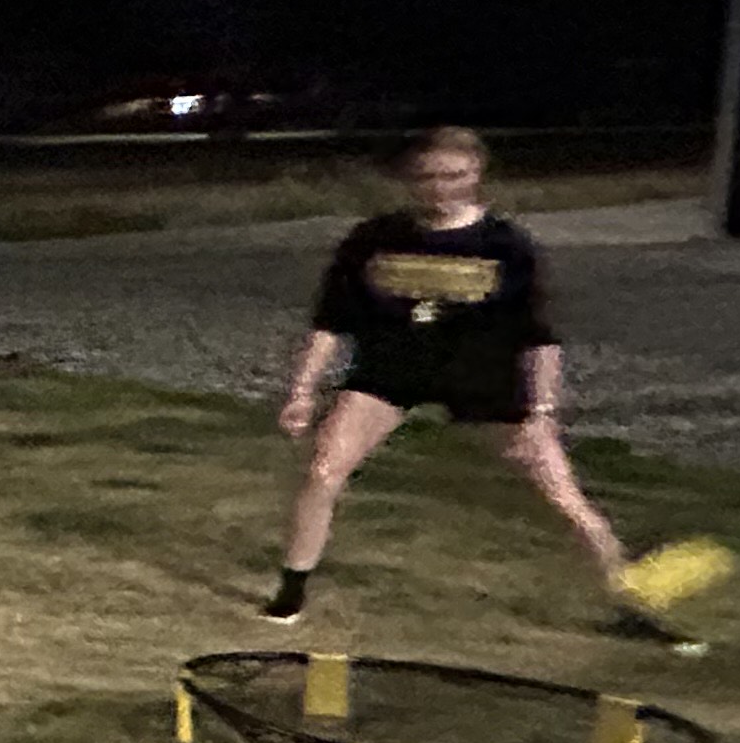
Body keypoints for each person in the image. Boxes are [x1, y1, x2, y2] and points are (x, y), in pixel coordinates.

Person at [265, 128, 676, 638]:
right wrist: (301, 391)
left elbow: (540, 338)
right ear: (411, 180)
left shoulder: (506, 246)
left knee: (565, 498)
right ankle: (290, 592)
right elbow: (330, 323)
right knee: (323, 471)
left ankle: (633, 605)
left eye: (454, 176)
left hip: (485, 381)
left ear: (477, 175)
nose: (441, 187)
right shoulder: (373, 240)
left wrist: (541, 414)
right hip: (389, 375)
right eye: (428, 177)